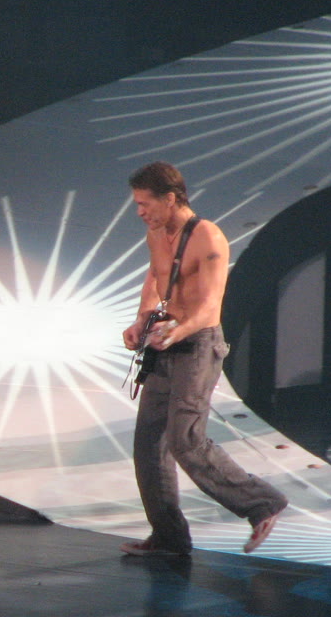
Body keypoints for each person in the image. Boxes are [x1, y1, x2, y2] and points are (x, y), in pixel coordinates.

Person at [121, 161, 287, 557]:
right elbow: (156, 275)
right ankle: (169, 537)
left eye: (146, 204)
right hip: (168, 340)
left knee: (186, 440)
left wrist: (179, 330)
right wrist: (143, 317)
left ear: (172, 197)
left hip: (198, 344)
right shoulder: (157, 231)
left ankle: (262, 502)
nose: (141, 212)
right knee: (148, 444)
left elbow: (212, 306)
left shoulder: (208, 237)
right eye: (137, 204)